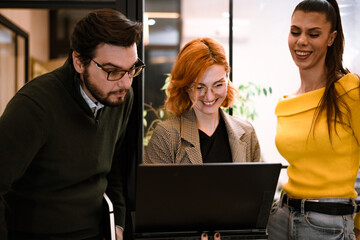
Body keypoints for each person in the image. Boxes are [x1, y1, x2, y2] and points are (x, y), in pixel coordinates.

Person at [0, 9, 143, 240]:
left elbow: (114, 168)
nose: (126, 83)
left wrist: (118, 221)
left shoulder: (121, 97)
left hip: (97, 232)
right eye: (112, 71)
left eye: (132, 69)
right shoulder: (34, 106)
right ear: (79, 61)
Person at [267, 0, 360, 239]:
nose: (301, 41)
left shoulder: (349, 91)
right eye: (295, 31)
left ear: (331, 38)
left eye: (314, 34)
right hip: (280, 218)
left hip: (327, 223)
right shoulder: (286, 102)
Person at [144, 37, 260, 165]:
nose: (209, 97)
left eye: (218, 85)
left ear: (227, 78)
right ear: (185, 86)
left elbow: (254, 184)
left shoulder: (247, 132)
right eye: (199, 87)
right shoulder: (166, 136)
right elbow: (154, 185)